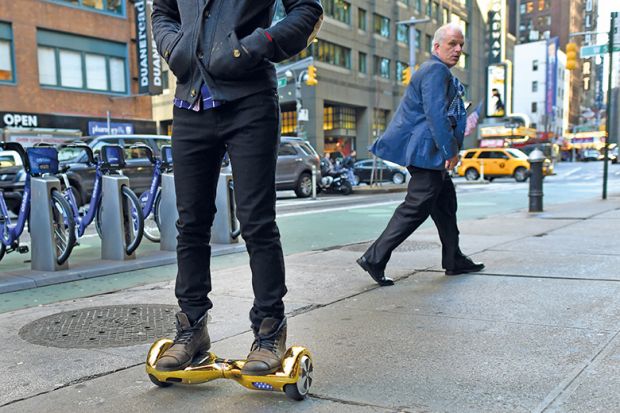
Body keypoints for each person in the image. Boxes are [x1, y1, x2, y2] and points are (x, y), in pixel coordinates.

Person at [151, 0, 323, 375]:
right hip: (189, 101)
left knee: (256, 221)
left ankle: (269, 330)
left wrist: (255, 45)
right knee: (191, 223)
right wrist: (174, 47)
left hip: (249, 102)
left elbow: (307, 10)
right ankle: (192, 328)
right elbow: (162, 11)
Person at [357, 23, 484, 286]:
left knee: (446, 205)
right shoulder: (435, 71)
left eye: (461, 45)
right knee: (415, 208)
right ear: (436, 47)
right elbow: (435, 114)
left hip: (430, 152)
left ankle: (454, 258)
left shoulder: (437, 71)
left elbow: (445, 112)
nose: (459, 49)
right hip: (429, 153)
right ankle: (374, 257)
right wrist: (450, 150)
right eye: (452, 44)